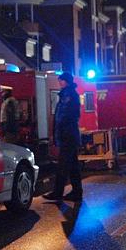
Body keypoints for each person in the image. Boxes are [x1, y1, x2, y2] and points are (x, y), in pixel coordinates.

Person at [47, 72, 83, 201]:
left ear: (65, 81)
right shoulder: (68, 94)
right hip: (70, 135)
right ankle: (77, 192)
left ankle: (57, 192)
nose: (59, 83)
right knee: (73, 166)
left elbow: (64, 117)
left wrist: (60, 133)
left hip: (68, 135)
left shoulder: (68, 95)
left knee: (62, 166)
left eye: (60, 80)